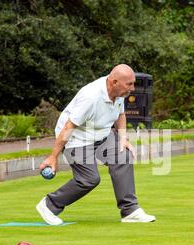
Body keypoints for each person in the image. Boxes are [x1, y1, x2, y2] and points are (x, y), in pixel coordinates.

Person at [36, 64, 156, 225]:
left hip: (101, 135)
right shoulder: (90, 97)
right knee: (89, 179)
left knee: (123, 156)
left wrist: (123, 138)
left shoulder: (120, 92)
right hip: (76, 139)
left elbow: (121, 114)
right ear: (114, 82)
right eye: (129, 84)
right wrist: (53, 156)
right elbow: (68, 127)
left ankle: (130, 211)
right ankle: (50, 205)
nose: (132, 88)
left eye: (133, 83)